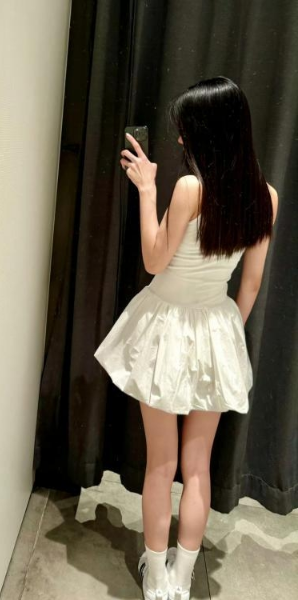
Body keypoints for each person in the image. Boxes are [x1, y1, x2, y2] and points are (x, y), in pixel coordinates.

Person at [93, 76, 279, 600]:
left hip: (166, 328)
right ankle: (182, 576)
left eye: (186, 130)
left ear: (209, 133)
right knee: (198, 467)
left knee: (162, 462)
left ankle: (155, 577)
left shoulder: (190, 189)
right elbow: (251, 284)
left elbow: (154, 261)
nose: (179, 139)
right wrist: (224, 334)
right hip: (216, 327)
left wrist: (147, 190)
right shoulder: (266, 197)